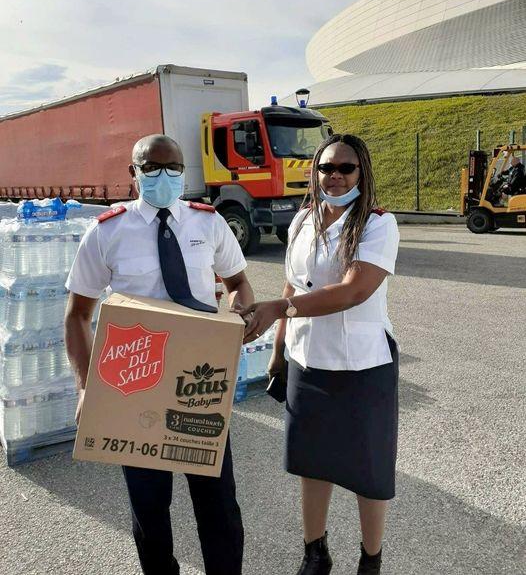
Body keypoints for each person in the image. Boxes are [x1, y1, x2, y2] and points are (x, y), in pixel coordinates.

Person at [65, 134, 254, 575]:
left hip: (199, 386)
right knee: (150, 511)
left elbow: (238, 282)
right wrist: (86, 387)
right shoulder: (107, 232)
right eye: (151, 168)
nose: (164, 176)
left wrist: (237, 312)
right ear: (133, 174)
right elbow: (77, 315)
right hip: (136, 386)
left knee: (219, 506)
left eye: (173, 168)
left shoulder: (208, 223)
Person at [238, 133, 400, 575]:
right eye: (326, 167)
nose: (334, 176)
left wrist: (278, 309)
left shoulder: (377, 224)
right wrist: (277, 350)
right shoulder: (302, 220)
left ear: (362, 173)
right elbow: (292, 284)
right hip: (307, 360)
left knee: (369, 470)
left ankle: (371, 559)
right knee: (313, 463)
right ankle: (315, 552)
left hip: (361, 366)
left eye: (345, 168)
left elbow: (352, 291)